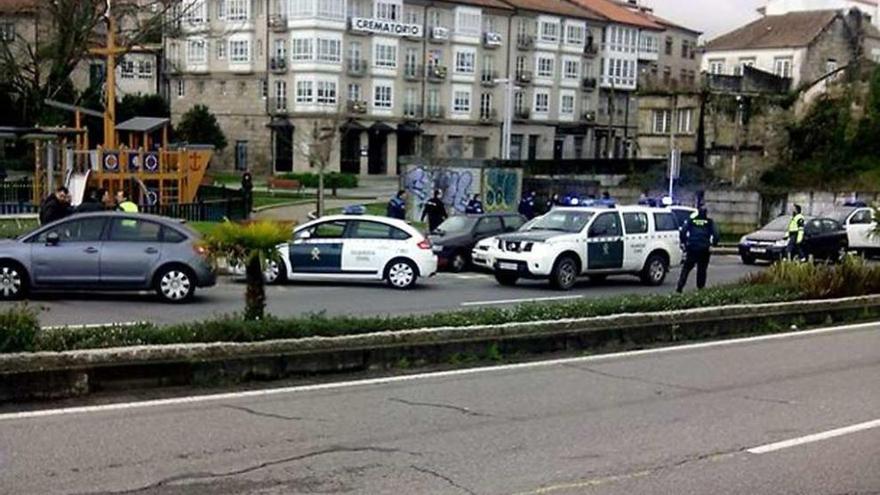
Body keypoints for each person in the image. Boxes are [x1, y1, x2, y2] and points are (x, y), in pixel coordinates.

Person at [676, 205, 718, 293]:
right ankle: (700, 289)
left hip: (692, 247)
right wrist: (713, 244)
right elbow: (716, 234)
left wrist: (685, 242)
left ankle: (680, 286)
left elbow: (683, 231)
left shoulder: (692, 221)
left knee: (686, 268)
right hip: (704, 249)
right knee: (702, 270)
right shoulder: (709, 222)